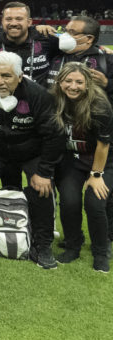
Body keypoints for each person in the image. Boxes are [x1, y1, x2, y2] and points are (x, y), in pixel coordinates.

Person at [0, 52, 66, 269]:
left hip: (32, 152)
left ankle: (43, 244)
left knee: (42, 190)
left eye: (6, 76)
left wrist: (44, 172)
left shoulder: (38, 95)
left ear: (20, 76)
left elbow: (54, 135)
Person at [51, 63, 112, 272]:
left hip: (103, 162)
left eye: (79, 82)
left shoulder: (100, 105)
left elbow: (104, 145)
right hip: (73, 160)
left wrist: (96, 175)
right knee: (69, 201)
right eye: (68, 81)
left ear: (87, 84)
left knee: (94, 203)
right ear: (60, 82)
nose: (73, 86)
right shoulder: (54, 101)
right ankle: (73, 245)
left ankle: (101, 251)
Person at [46, 15, 113, 95]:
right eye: (65, 31)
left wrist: (107, 84)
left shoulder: (106, 59)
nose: (65, 36)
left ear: (89, 38)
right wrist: (37, 28)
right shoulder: (54, 53)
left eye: (72, 32)